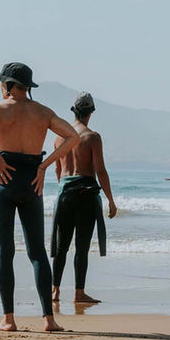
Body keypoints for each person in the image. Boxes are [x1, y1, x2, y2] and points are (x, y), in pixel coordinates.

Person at [0, 62, 79, 331]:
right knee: (37, 252)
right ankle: (49, 319)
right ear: (28, 87)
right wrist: (44, 166)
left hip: (4, 180)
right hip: (32, 181)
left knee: (4, 251)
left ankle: (8, 319)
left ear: (7, 85)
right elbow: (72, 136)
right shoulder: (43, 112)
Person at [50, 92, 117, 305]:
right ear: (91, 113)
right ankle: (79, 293)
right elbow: (100, 171)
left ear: (74, 112)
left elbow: (58, 171)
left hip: (65, 195)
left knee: (61, 247)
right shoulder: (92, 137)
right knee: (81, 247)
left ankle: (54, 291)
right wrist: (111, 200)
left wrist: (65, 191)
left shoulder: (60, 138)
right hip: (85, 195)